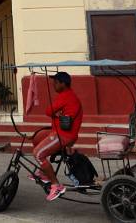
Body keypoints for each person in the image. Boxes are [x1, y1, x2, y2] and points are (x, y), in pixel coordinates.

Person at [31, 71, 83, 202]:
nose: (54, 85)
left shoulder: (65, 96)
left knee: (38, 154)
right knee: (37, 138)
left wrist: (56, 113)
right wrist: (58, 113)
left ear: (63, 84)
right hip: (59, 132)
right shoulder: (68, 95)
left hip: (63, 135)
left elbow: (48, 111)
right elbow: (53, 112)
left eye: (56, 82)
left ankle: (56, 185)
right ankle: (44, 172)